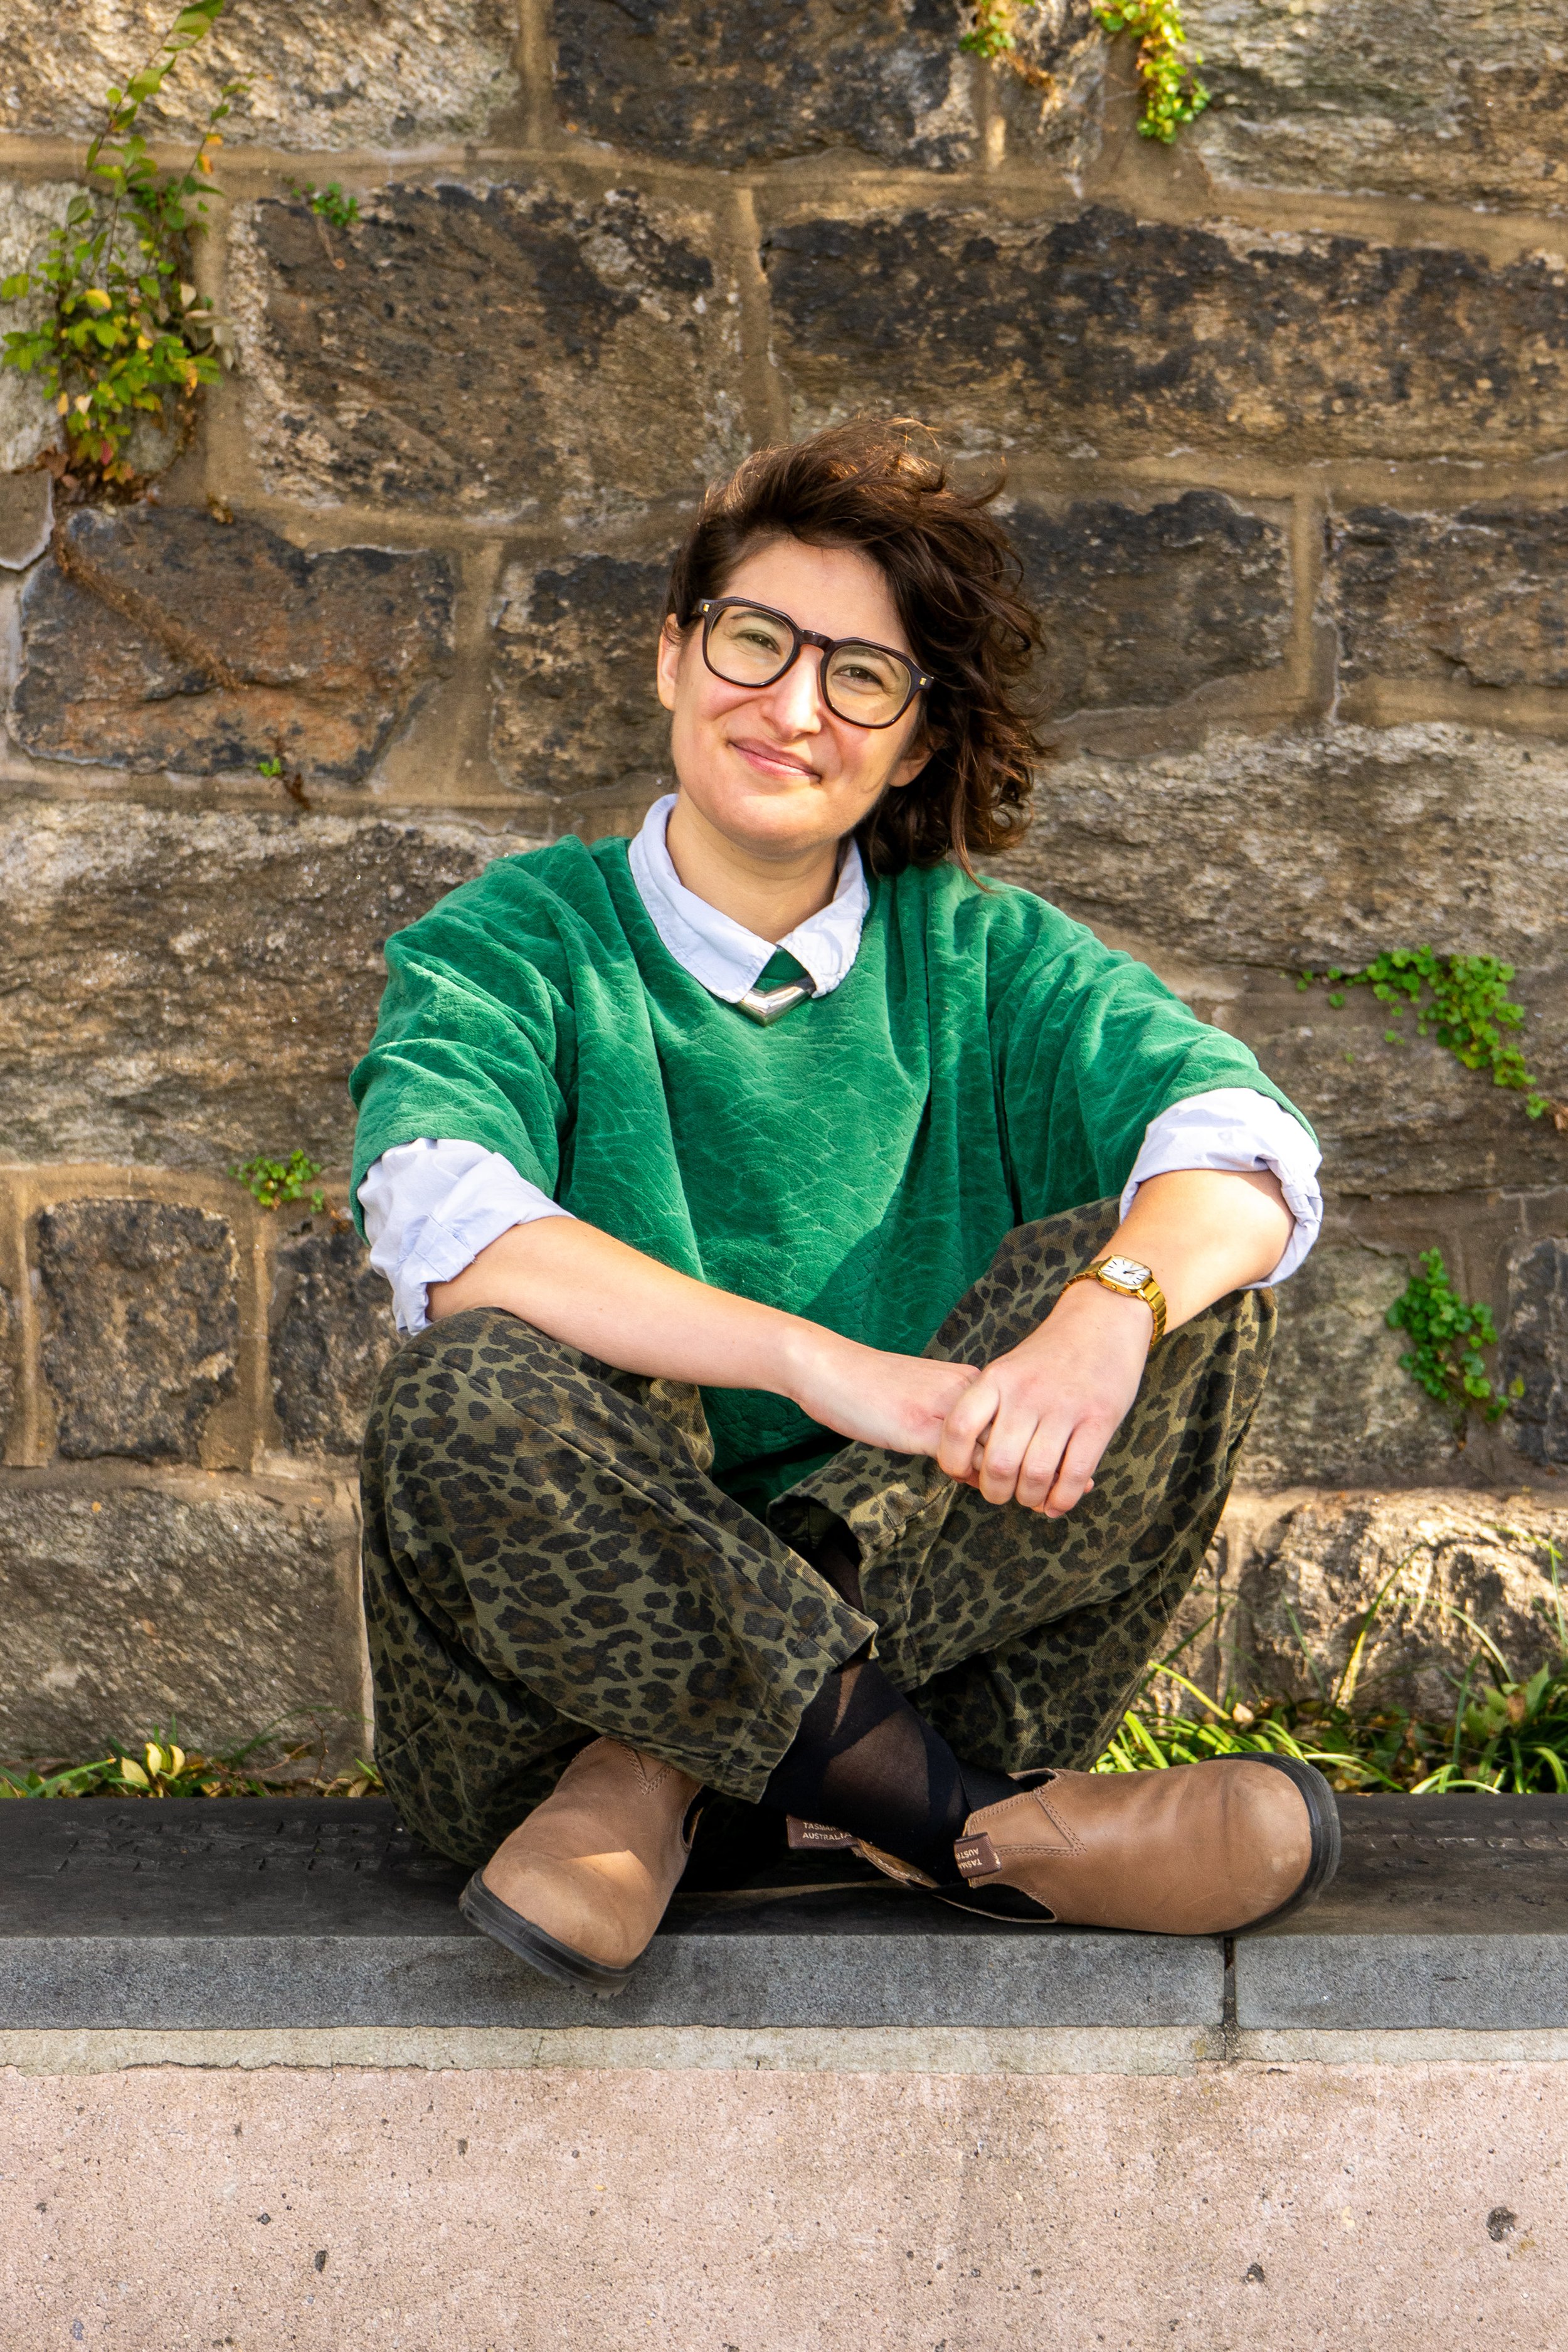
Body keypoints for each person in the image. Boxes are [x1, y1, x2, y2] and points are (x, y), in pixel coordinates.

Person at [349, 420, 1338, 2001]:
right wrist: (811, 1362)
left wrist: (1109, 1314)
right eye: (755, 641)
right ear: (673, 656)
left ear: (915, 740)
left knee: (1191, 1301)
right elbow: (444, 1226)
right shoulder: (513, 946)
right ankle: (964, 1833)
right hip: (527, 1753)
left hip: (917, 1676)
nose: (792, 707)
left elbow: (1246, 1144)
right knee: (472, 1384)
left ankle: (660, 1772)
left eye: (859, 677)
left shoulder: (987, 961)